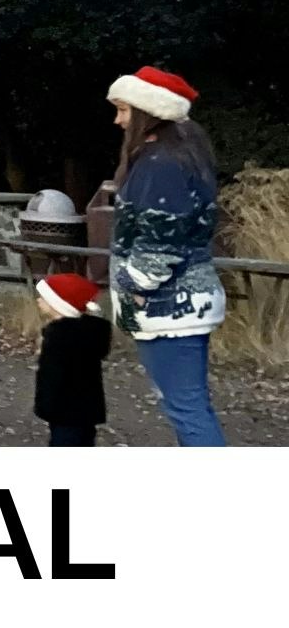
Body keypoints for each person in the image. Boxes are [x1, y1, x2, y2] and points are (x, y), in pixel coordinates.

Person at [106, 66, 227, 446]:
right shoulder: (179, 157)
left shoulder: (161, 165)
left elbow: (160, 245)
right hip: (181, 303)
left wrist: (131, 286)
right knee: (187, 406)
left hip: (171, 306)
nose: (118, 120)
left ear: (149, 111)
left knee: (187, 410)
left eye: (123, 110)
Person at [32, 273, 110, 447]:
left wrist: (46, 404)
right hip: (86, 406)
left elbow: (52, 375)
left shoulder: (58, 337)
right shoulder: (90, 333)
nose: (39, 300)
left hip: (63, 408)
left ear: (58, 304)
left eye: (44, 298)